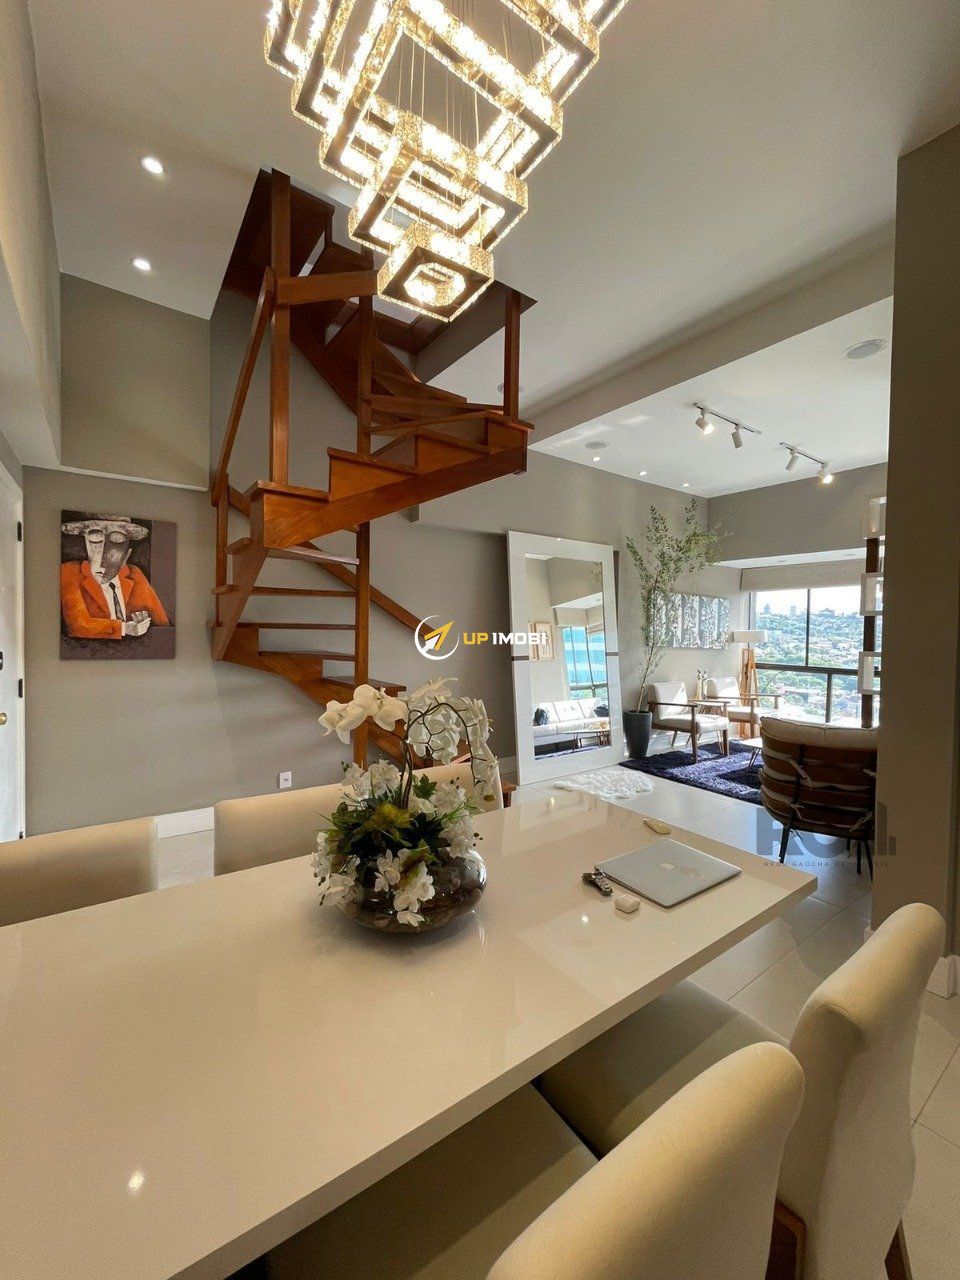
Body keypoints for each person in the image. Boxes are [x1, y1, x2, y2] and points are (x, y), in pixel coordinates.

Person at [60, 516, 170, 641]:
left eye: (116, 540)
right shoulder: (69, 572)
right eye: (95, 539)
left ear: (126, 556)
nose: (101, 563)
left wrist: (146, 624)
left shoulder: (134, 574)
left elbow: (163, 625)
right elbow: (78, 626)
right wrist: (125, 628)